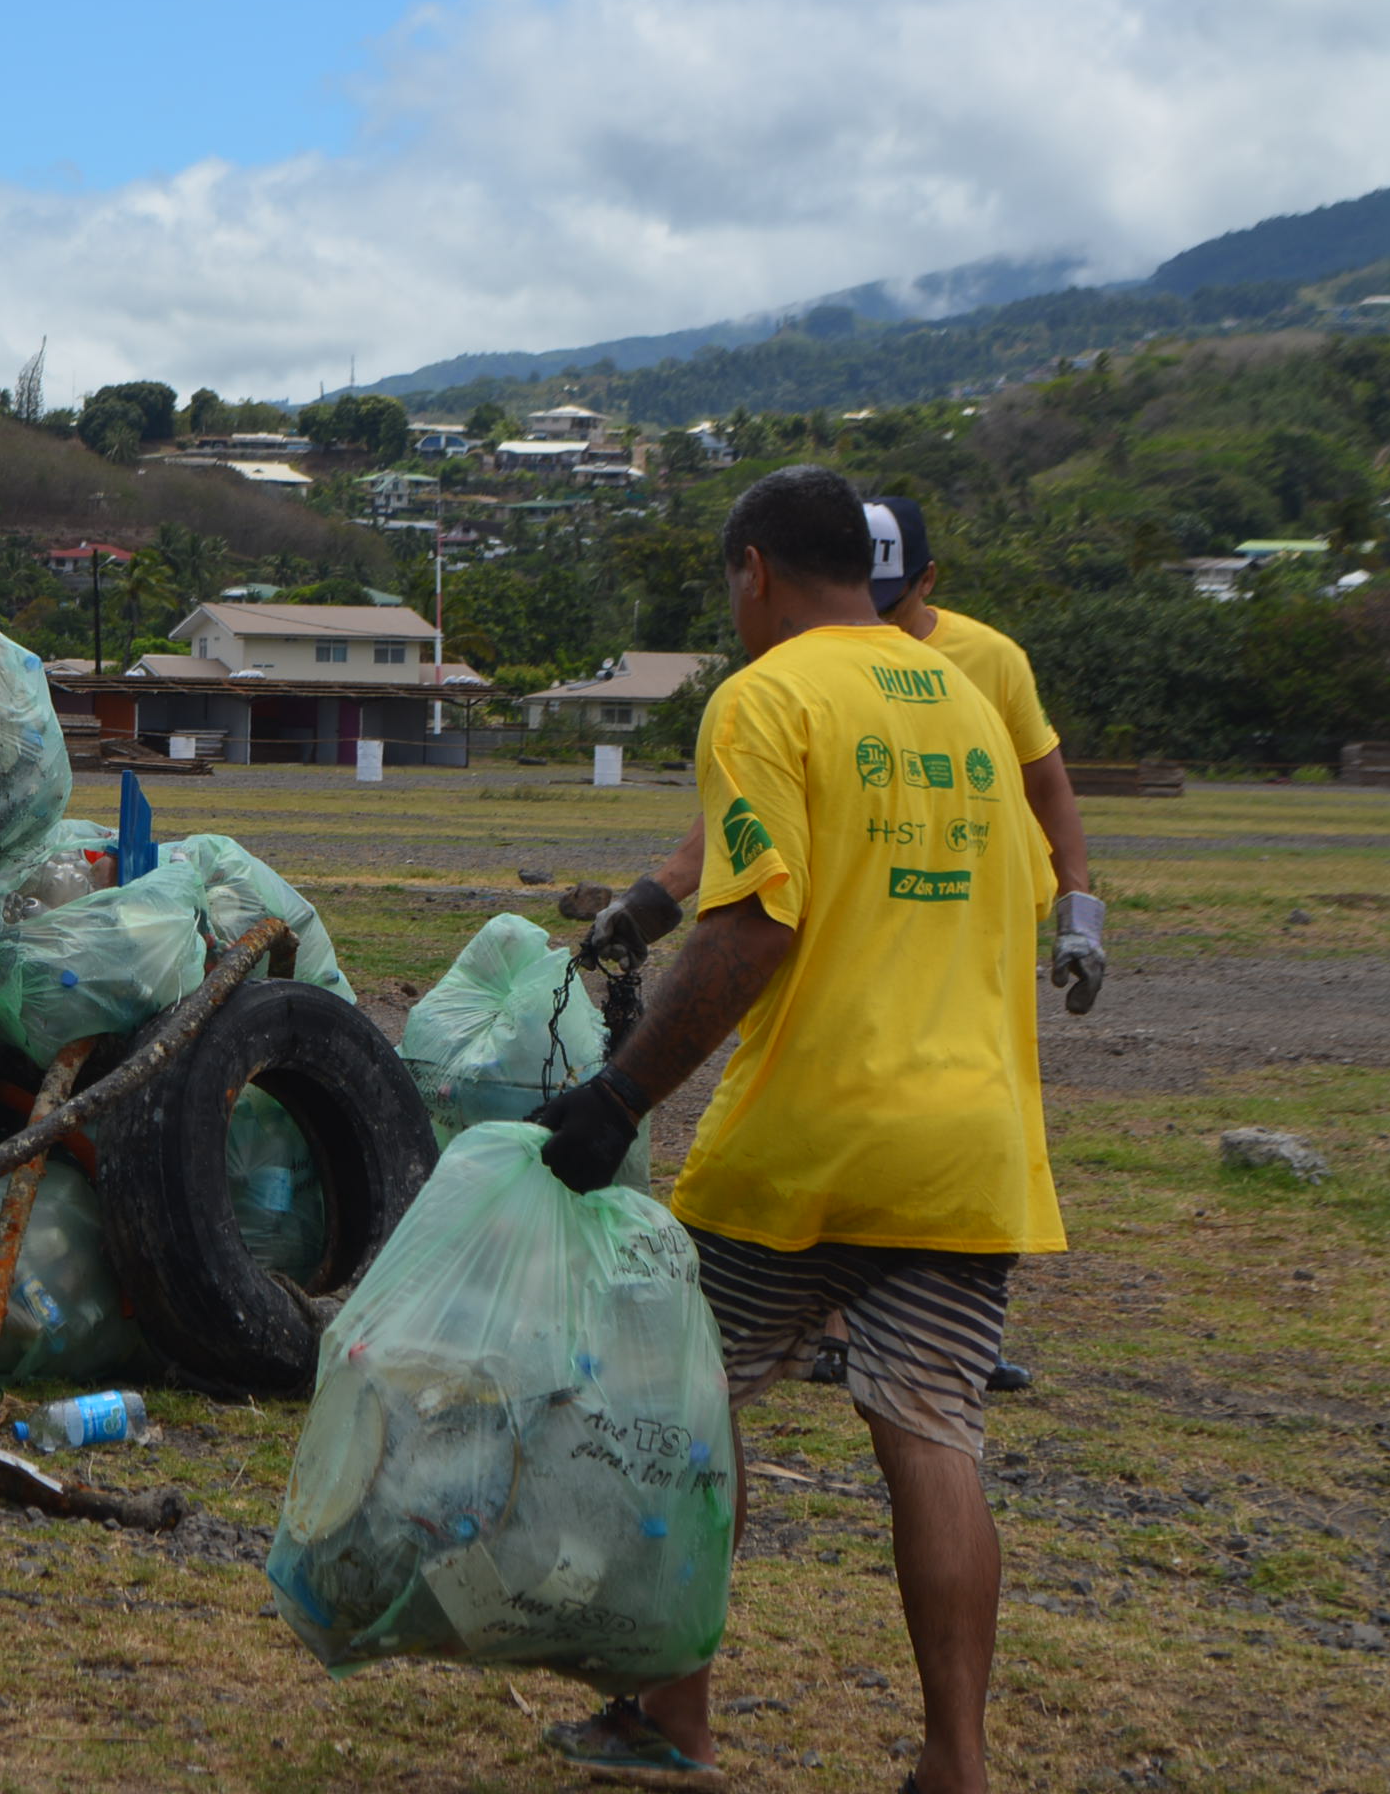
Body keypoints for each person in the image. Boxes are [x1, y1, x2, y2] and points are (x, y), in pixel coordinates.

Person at [533, 465, 1066, 1793]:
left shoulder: (766, 697)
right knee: (936, 1437)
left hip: (806, 1142)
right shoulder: (968, 697)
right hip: (971, 1143)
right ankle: (957, 1764)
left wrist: (618, 1099)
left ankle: (674, 1721)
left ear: (756, 571)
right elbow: (1028, 895)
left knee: (687, 1417)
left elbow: (756, 920)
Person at [586, 494, 1105, 1015]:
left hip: (966, 912)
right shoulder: (806, 672)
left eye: (887, 603)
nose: (865, 618)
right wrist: (652, 900)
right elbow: (754, 807)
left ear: (926, 581)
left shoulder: (992, 662)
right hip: (861, 916)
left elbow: (1047, 787)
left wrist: (1077, 916)